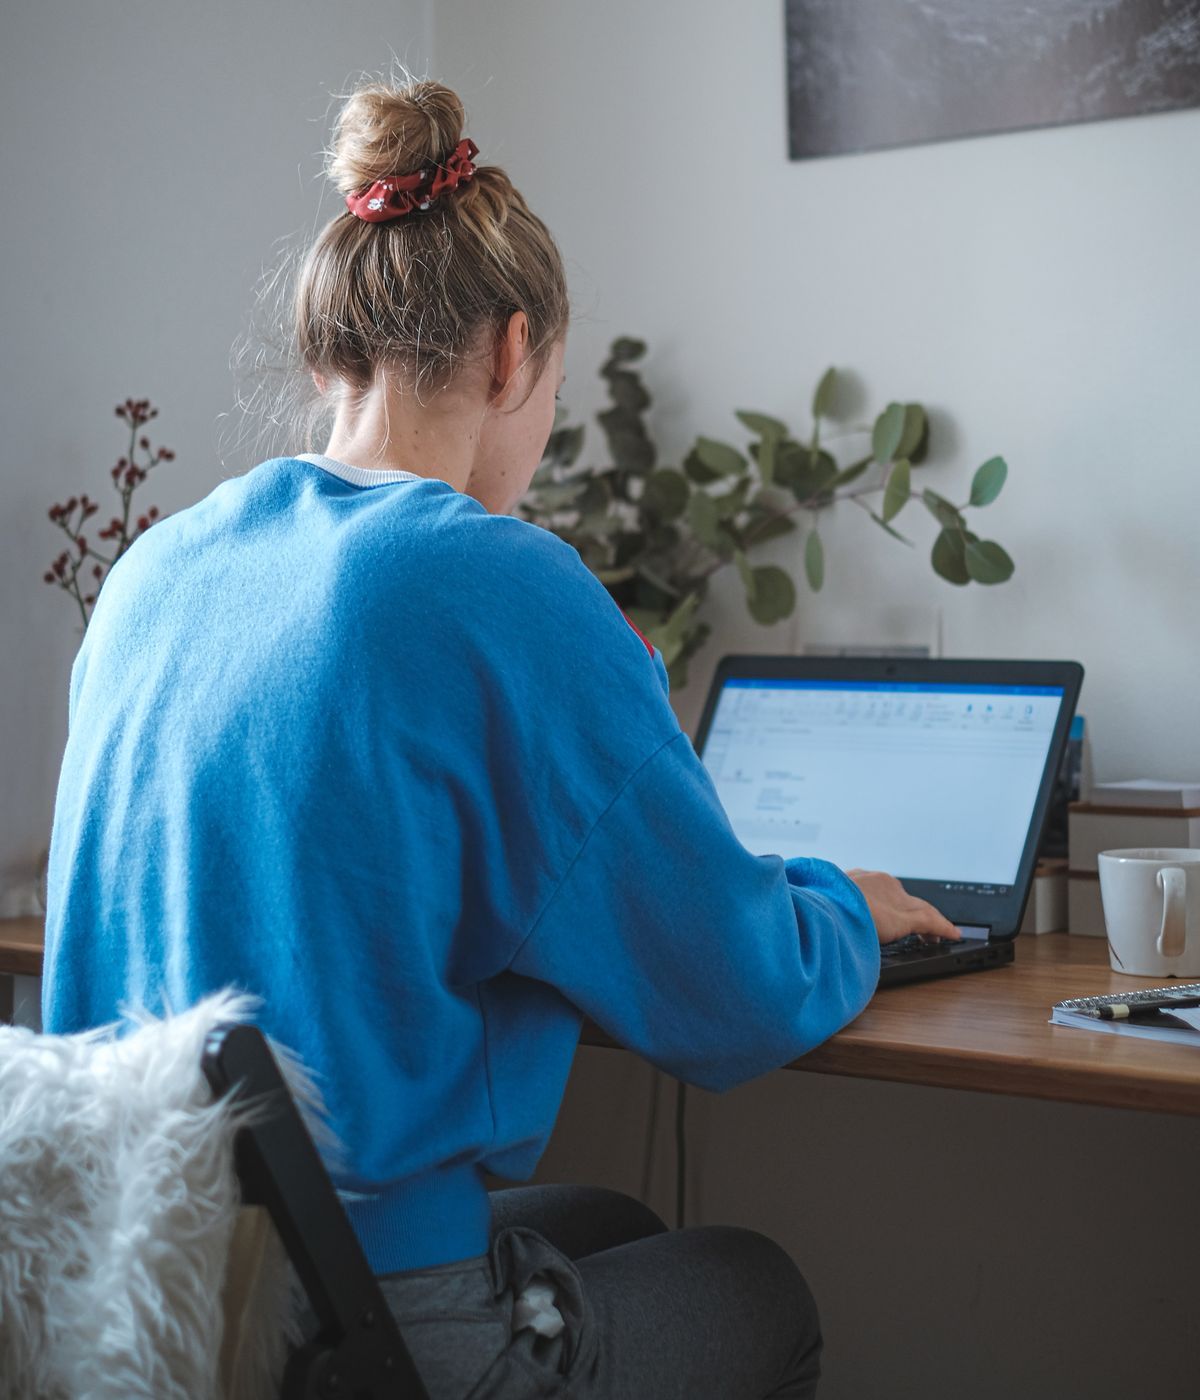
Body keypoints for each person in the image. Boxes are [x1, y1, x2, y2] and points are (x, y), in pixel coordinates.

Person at [42, 77, 959, 1399]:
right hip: (341, 1325)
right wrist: (846, 911)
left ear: (326, 355)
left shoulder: (152, 574)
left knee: (622, 1233)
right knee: (755, 1287)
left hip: (145, 1300)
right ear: (513, 352)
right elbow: (735, 994)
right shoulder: (495, 580)